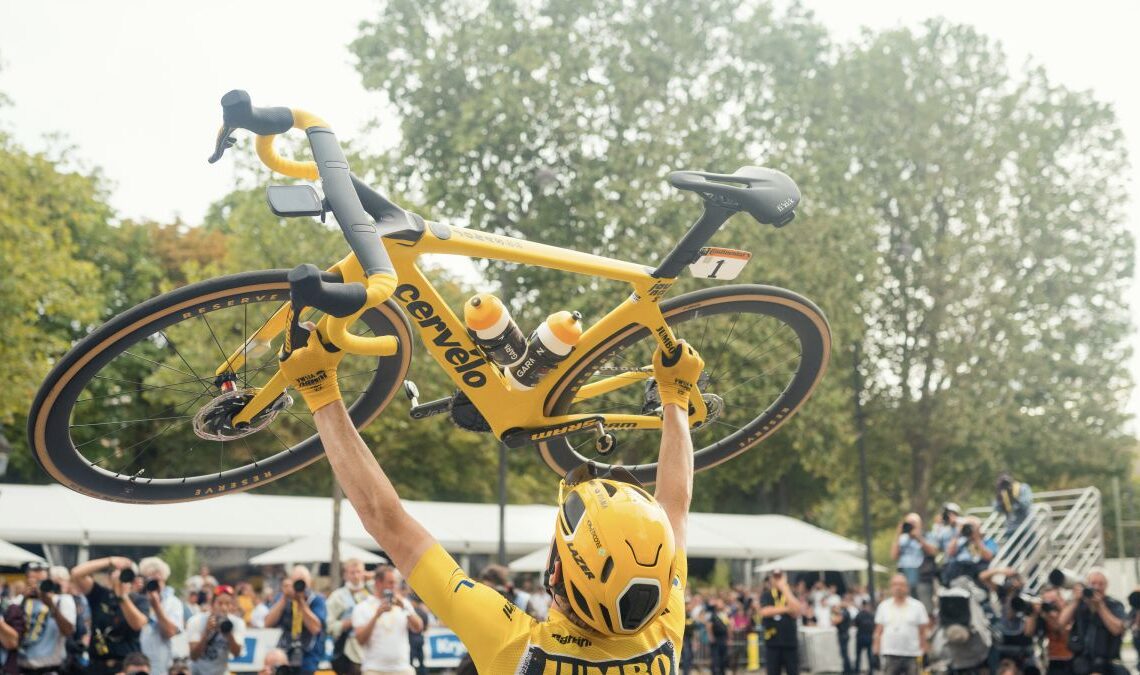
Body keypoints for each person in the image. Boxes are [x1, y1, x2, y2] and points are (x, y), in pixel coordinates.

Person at [277, 325, 704, 672]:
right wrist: (322, 394)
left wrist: (676, 397)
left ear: (555, 574)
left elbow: (675, 507)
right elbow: (385, 522)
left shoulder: (658, 624)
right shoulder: (661, 636)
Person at [70, 556, 146, 675]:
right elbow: (76, 574)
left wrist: (122, 596)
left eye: (125, 573)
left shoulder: (139, 600)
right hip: (98, 664)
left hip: (126, 666)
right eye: (117, 572)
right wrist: (110, 561)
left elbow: (137, 625)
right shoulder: (100, 594)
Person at [351, 566, 424, 675]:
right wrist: (377, 615)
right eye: (390, 583)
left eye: (395, 583)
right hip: (373, 669)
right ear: (378, 583)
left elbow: (418, 628)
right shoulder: (363, 607)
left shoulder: (403, 603)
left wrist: (404, 608)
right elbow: (360, 640)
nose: (394, 586)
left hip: (402, 668)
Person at [10, 560, 77, 673]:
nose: (37, 586)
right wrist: (24, 600)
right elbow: (11, 631)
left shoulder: (62, 600)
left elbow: (68, 631)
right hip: (22, 668)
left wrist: (50, 604)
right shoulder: (19, 602)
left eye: (41, 582)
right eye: (33, 581)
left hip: (50, 669)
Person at [1058, 568, 1127, 675]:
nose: (1096, 587)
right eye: (1093, 583)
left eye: (1101, 584)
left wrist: (1100, 606)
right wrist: (1075, 600)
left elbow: (1117, 629)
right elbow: (1061, 623)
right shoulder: (1079, 603)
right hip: (1081, 662)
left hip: (1107, 663)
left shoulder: (1114, 604)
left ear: (1106, 585)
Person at [264, 566, 326, 675]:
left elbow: (315, 628)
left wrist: (301, 602)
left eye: (302, 582)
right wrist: (284, 597)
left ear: (310, 583)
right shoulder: (284, 598)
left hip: (308, 654)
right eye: (296, 581)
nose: (299, 586)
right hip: (285, 651)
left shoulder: (316, 600)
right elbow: (267, 623)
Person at [873, 574, 929, 675]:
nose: (898, 587)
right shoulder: (883, 606)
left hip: (912, 654)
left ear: (907, 587)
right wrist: (876, 652)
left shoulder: (917, 606)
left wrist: (925, 652)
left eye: (901, 584)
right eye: (895, 584)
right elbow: (878, 632)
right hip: (890, 654)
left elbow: (923, 632)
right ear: (891, 587)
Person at [137, 557, 184, 674]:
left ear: (164, 579)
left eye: (157, 580)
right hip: (136, 663)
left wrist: (156, 606)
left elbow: (170, 632)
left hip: (161, 666)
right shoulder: (137, 599)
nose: (154, 585)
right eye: (150, 581)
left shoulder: (173, 602)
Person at [186, 585, 245, 675]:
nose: (224, 608)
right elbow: (194, 656)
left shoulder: (237, 623)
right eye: (220, 603)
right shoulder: (196, 621)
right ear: (212, 604)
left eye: (228, 603)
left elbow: (236, 653)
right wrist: (206, 633)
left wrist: (229, 633)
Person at [326, 558, 371, 674]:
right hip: (348, 651)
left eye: (359, 572)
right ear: (345, 575)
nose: (356, 576)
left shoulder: (371, 593)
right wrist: (351, 621)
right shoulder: (337, 597)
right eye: (352, 572)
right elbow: (328, 626)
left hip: (372, 650)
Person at [890, 513, 937, 613]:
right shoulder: (902, 539)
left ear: (920, 525)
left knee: (926, 609)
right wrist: (898, 534)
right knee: (907, 608)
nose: (911, 525)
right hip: (905, 577)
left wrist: (918, 538)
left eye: (913, 523)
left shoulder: (927, 535)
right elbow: (893, 556)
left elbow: (933, 552)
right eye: (908, 523)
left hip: (922, 576)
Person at [759, 569, 803, 675]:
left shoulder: (791, 594)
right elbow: (765, 611)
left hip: (790, 642)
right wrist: (787, 609)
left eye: (780, 577)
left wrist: (784, 589)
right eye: (775, 577)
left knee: (793, 671)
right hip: (773, 642)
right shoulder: (767, 595)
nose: (777, 580)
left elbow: (797, 610)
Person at [1024, 586, 1072, 675]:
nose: (1051, 606)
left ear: (1061, 599)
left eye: (1053, 602)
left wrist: (1046, 615)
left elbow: (1061, 630)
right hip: (1054, 660)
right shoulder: (1044, 615)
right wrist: (1033, 612)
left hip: (1071, 659)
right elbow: (1028, 632)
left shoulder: (1069, 612)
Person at [706, 596, 730, 675]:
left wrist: (729, 638)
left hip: (723, 639)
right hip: (716, 639)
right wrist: (711, 636)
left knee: (723, 659)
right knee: (715, 660)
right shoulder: (713, 614)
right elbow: (709, 626)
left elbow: (728, 627)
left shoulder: (725, 614)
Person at [832, 596, 854, 674]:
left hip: (843, 635)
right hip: (843, 634)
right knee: (843, 654)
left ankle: (848, 670)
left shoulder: (845, 612)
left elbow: (836, 621)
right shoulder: (843, 612)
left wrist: (835, 612)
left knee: (844, 654)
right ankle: (846, 669)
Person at [853, 599, 875, 674]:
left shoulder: (859, 614)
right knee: (869, 656)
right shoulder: (871, 615)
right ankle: (871, 671)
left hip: (860, 637)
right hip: (869, 637)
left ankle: (857, 671)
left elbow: (855, 624)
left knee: (858, 656)